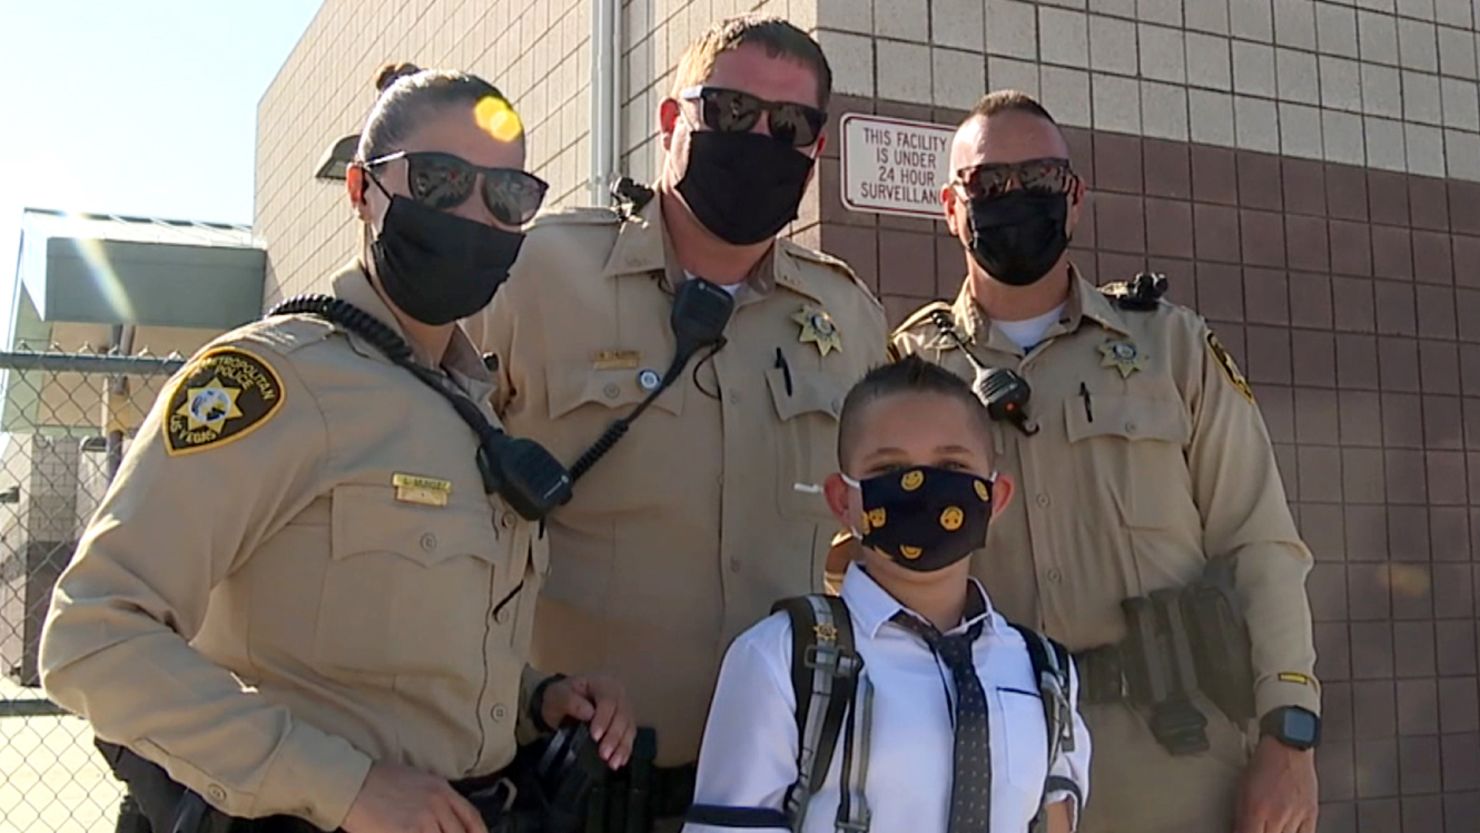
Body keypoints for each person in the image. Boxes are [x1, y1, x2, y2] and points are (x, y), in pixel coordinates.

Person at [40, 65, 635, 833]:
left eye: (509, 195)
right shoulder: (273, 380)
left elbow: (391, 653)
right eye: (441, 180)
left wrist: (533, 698)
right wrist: (345, 785)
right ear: (361, 191)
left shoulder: (469, 406)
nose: (475, 214)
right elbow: (92, 634)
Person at [461, 16, 888, 829]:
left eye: (789, 125)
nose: (760, 138)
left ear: (815, 150)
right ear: (670, 121)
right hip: (573, 785)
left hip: (779, 790)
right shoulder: (534, 276)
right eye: (729, 112)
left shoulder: (849, 317)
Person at [885, 90, 1320, 833]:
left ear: (1076, 199)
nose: (1015, 197)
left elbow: (1261, 544)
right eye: (989, 184)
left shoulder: (1170, 348)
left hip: (1175, 758)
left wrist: (1290, 735)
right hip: (986, 767)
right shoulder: (906, 373)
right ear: (951, 207)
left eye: (1042, 180)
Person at [682, 356, 1090, 833]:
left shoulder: (1045, 672)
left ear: (995, 497)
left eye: (952, 465)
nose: (922, 487)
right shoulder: (780, 659)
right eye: (890, 468)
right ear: (843, 501)